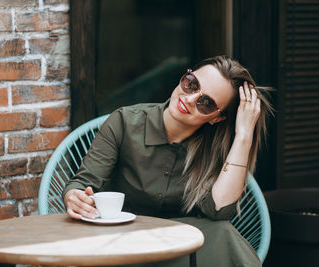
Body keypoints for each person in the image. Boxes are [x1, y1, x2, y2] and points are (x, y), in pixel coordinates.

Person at [62, 55, 273, 267]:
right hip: (121, 246)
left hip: (179, 250)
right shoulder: (124, 122)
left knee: (221, 233)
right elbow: (82, 183)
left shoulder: (216, 149)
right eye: (192, 84)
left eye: (206, 103)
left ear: (217, 118)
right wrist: (75, 197)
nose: (189, 99)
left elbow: (219, 211)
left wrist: (244, 135)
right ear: (185, 76)